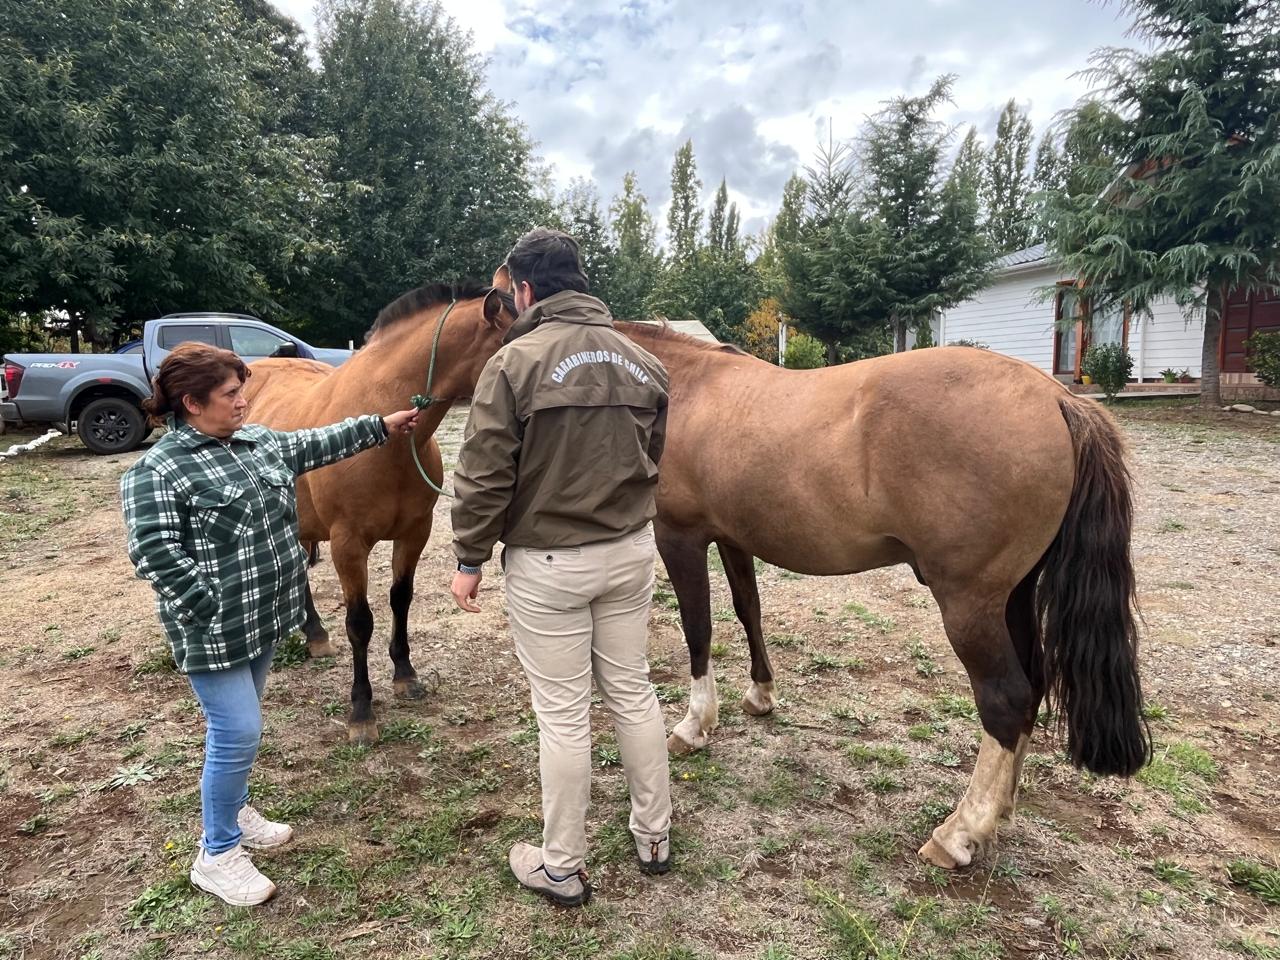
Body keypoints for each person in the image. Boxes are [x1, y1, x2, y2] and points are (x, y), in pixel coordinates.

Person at [120, 342, 420, 907]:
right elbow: (154, 554)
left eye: (242, 391)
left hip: (265, 618)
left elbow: (320, 442)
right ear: (192, 403)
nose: (244, 401)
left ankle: (234, 810)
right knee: (237, 732)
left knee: (242, 726)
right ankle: (217, 854)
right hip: (215, 629)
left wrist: (383, 425)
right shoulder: (156, 471)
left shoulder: (257, 442)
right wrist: (209, 606)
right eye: (231, 394)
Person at [449, 228, 673, 908]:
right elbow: (652, 453)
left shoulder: (513, 364)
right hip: (629, 551)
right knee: (633, 691)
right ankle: (654, 836)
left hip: (551, 563)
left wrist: (469, 555)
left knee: (564, 715)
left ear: (524, 290)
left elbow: (484, 472)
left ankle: (561, 865)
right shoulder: (644, 362)